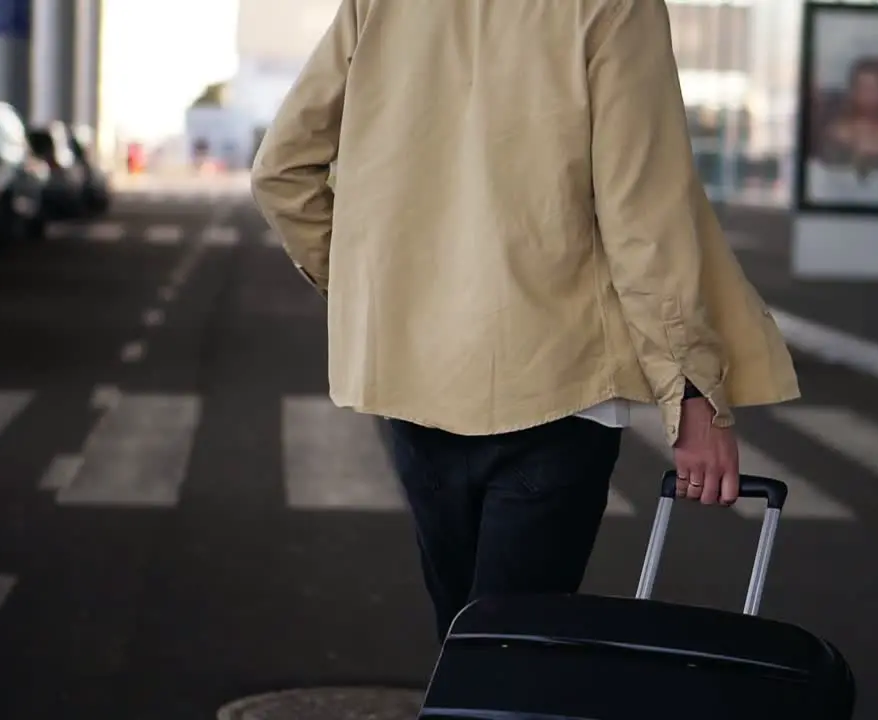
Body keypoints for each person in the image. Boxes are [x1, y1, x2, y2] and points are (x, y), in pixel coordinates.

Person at [251, 0, 800, 639]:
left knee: (464, 649)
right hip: (559, 388)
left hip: (418, 383)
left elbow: (281, 171)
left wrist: (382, 296)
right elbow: (643, 219)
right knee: (511, 660)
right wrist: (694, 393)